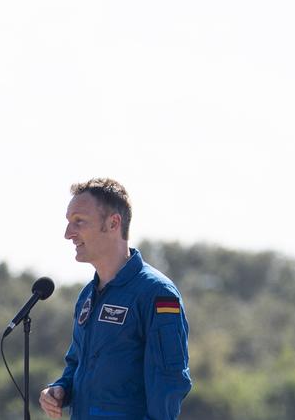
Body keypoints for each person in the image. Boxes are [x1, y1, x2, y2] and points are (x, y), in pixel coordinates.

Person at [39, 178, 192, 420]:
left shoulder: (157, 293)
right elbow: (77, 364)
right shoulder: (87, 295)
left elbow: (168, 382)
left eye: (79, 222)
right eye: (69, 223)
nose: (68, 233)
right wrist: (60, 390)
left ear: (113, 223)